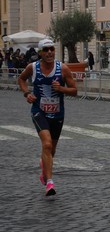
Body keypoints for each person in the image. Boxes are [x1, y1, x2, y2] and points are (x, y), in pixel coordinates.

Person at [17, 39, 78, 196]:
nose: (49, 52)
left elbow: (75, 90)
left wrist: (62, 88)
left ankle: (45, 165)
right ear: (40, 53)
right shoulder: (33, 67)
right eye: (46, 49)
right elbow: (21, 79)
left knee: (52, 149)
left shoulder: (63, 69)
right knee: (47, 144)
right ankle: (50, 183)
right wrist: (27, 93)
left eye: (51, 49)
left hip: (58, 113)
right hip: (39, 111)